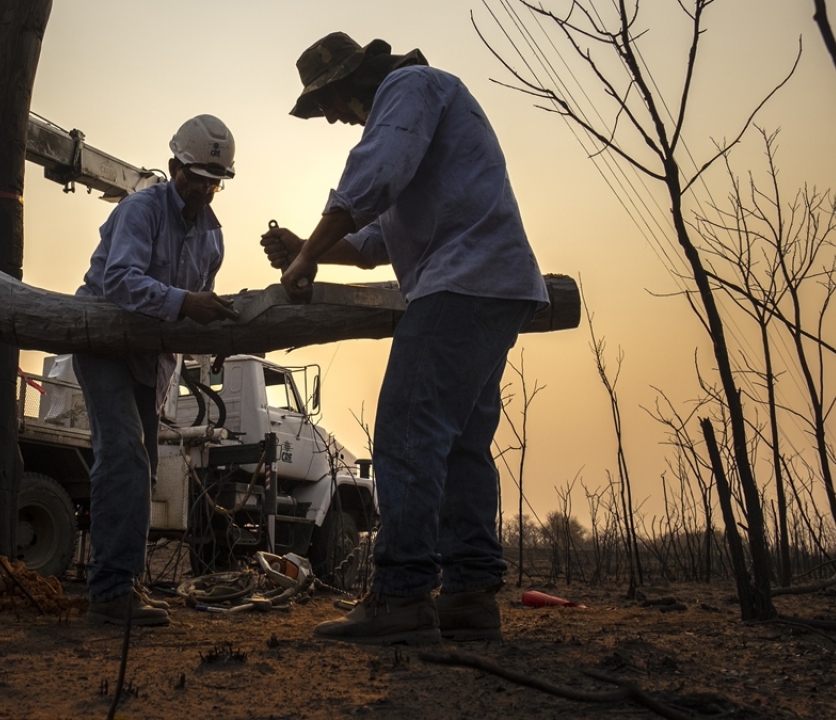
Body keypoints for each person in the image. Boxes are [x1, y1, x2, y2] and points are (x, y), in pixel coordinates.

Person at [262, 33, 549, 644]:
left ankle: (401, 597)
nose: (334, 116)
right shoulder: (421, 112)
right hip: (492, 287)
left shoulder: (408, 88)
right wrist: (306, 246)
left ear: (351, 81)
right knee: (461, 445)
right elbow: (373, 247)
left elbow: (373, 177)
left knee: (407, 434)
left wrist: (307, 257)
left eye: (330, 101)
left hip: (462, 285)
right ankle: (470, 595)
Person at [75, 114, 240, 626]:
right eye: (197, 178)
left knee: (141, 470)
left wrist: (214, 338)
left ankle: (126, 583)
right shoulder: (140, 210)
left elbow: (197, 305)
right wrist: (188, 303)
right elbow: (121, 282)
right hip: (103, 347)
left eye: (216, 182)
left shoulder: (212, 239)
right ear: (173, 168)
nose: (206, 190)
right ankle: (107, 595)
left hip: (152, 363)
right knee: (123, 456)